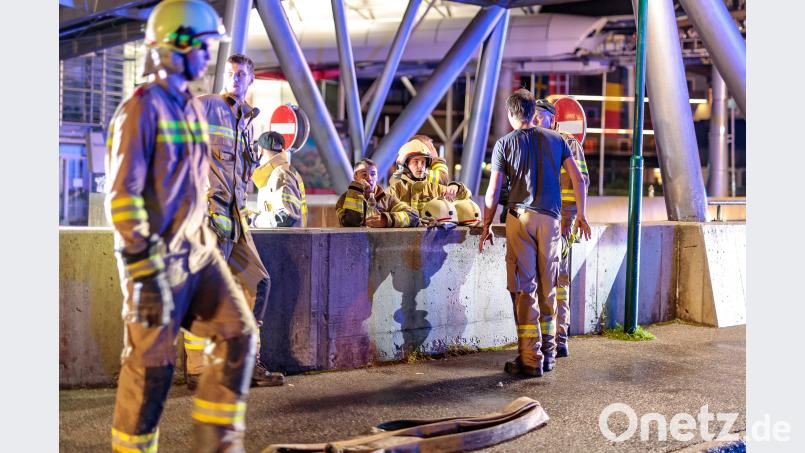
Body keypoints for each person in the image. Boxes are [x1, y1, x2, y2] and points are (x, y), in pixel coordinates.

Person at [105, 1, 257, 450]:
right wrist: (143, 271)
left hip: (198, 252)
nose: (211, 55)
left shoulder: (192, 108)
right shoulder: (140, 109)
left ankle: (218, 446)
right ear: (181, 44)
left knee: (238, 334)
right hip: (155, 263)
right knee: (151, 371)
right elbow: (123, 198)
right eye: (206, 45)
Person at [187, 53, 284, 389]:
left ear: (251, 79)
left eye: (241, 74)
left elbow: (243, 176)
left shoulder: (248, 123)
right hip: (208, 220)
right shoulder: (207, 106)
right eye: (230, 73)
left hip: (236, 223)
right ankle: (198, 370)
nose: (235, 78)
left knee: (258, 282)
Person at [479, 89, 591, 378]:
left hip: (521, 217)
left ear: (511, 114)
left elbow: (492, 193)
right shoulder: (558, 140)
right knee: (550, 288)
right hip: (553, 220)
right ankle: (550, 354)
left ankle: (530, 358)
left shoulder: (504, 144)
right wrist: (581, 215)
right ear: (532, 113)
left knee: (524, 289)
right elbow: (578, 179)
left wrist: (486, 224)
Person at [534, 98, 590, 358]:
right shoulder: (531, 142)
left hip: (563, 223)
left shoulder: (568, 143)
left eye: (539, 116)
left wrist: (578, 218)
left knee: (559, 281)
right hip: (540, 221)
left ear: (552, 119)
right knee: (543, 282)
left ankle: (560, 337)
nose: (535, 120)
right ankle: (548, 338)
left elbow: (581, 181)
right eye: (532, 116)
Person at [386, 138, 472, 220]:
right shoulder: (393, 191)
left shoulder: (433, 189)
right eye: (416, 161)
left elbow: (466, 195)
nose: (420, 166)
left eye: (423, 162)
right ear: (404, 165)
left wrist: (456, 187)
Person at [336, 158, 419, 228]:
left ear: (377, 177)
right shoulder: (344, 200)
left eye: (373, 174)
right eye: (364, 174)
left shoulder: (388, 199)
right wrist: (357, 189)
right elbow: (351, 223)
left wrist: (387, 220)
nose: (369, 178)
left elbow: (413, 216)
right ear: (355, 176)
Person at [251, 131, 308, 228]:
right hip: (292, 240)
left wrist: (255, 220)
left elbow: (285, 218)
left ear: (260, 151)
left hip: (284, 242)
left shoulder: (279, 174)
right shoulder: (284, 171)